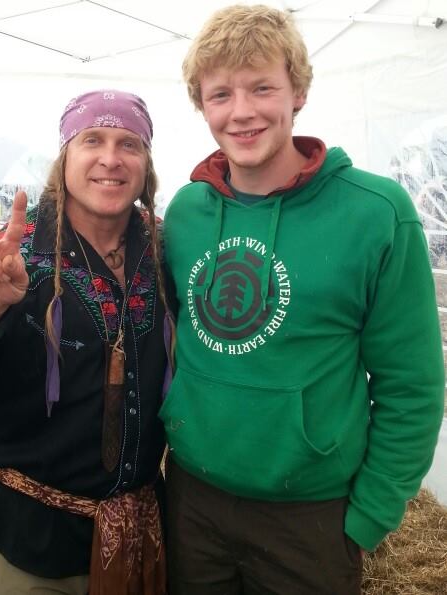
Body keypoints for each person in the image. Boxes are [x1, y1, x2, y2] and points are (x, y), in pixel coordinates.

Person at [160, 5, 445, 595]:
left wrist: (370, 516)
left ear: (299, 93)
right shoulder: (186, 213)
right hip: (193, 500)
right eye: (221, 94)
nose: (242, 111)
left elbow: (413, 384)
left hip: (311, 517)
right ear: (202, 106)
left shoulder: (375, 213)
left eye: (262, 87)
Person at [0, 90, 171, 595]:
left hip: (143, 536)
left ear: (146, 163)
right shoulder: (9, 258)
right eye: (93, 140)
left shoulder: (164, 253)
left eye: (129, 144)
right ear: (65, 157)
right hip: (33, 546)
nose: (111, 158)